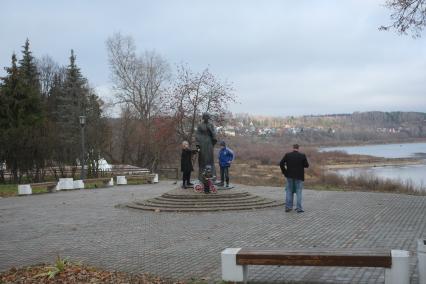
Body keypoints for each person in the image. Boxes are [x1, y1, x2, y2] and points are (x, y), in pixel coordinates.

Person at [279, 144, 309, 213]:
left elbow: (281, 163)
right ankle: (299, 208)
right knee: (299, 192)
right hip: (299, 176)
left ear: (293, 148)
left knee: (289, 191)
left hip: (289, 176)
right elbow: (306, 165)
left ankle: (288, 207)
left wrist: (284, 172)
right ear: (298, 148)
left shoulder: (287, 155)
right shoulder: (302, 155)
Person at [195, 113, 217, 181]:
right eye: (205, 117)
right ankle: (201, 176)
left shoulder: (211, 125)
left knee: (210, 158)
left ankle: (211, 176)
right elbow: (197, 134)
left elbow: (214, 134)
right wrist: (198, 144)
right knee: (202, 158)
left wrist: (210, 130)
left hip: (209, 143)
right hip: (202, 143)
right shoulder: (200, 125)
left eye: (208, 117)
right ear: (203, 117)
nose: (207, 118)